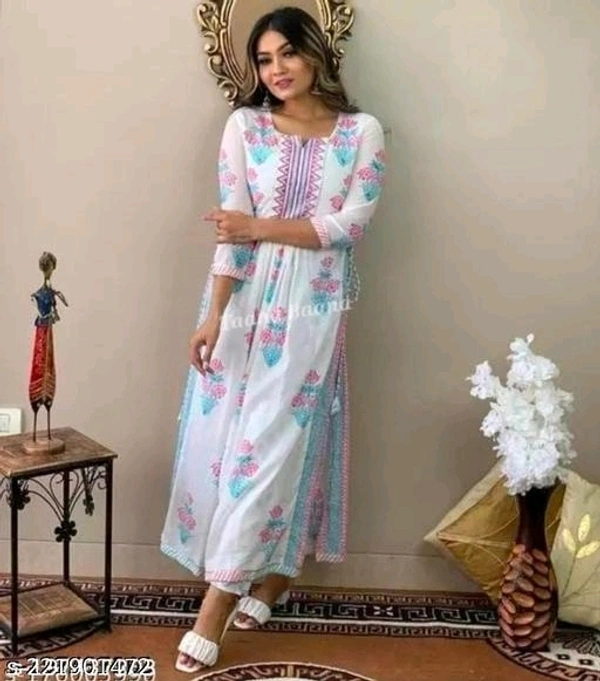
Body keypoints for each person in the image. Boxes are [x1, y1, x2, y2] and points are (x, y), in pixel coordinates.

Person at [160, 5, 386, 672]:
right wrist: (213, 315)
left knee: (270, 449)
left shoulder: (361, 131)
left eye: (288, 52)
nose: (277, 69)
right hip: (245, 305)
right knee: (233, 448)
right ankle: (273, 577)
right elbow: (230, 230)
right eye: (264, 59)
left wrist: (259, 227)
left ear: (315, 52)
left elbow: (352, 225)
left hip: (313, 308)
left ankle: (215, 606)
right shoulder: (246, 127)